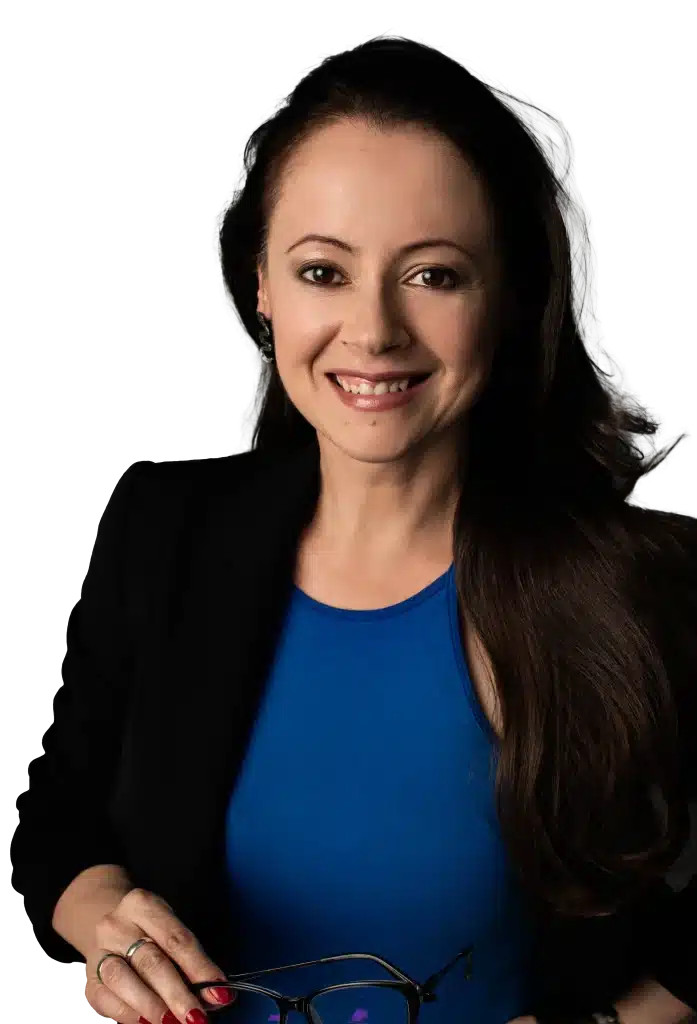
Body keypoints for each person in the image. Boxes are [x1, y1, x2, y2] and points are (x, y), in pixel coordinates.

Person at [9, 36, 696, 1024]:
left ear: (508, 297)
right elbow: (58, 819)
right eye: (323, 271)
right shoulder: (164, 528)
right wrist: (110, 923)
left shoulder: (627, 578)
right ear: (262, 285)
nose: (374, 331)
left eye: (434, 275)